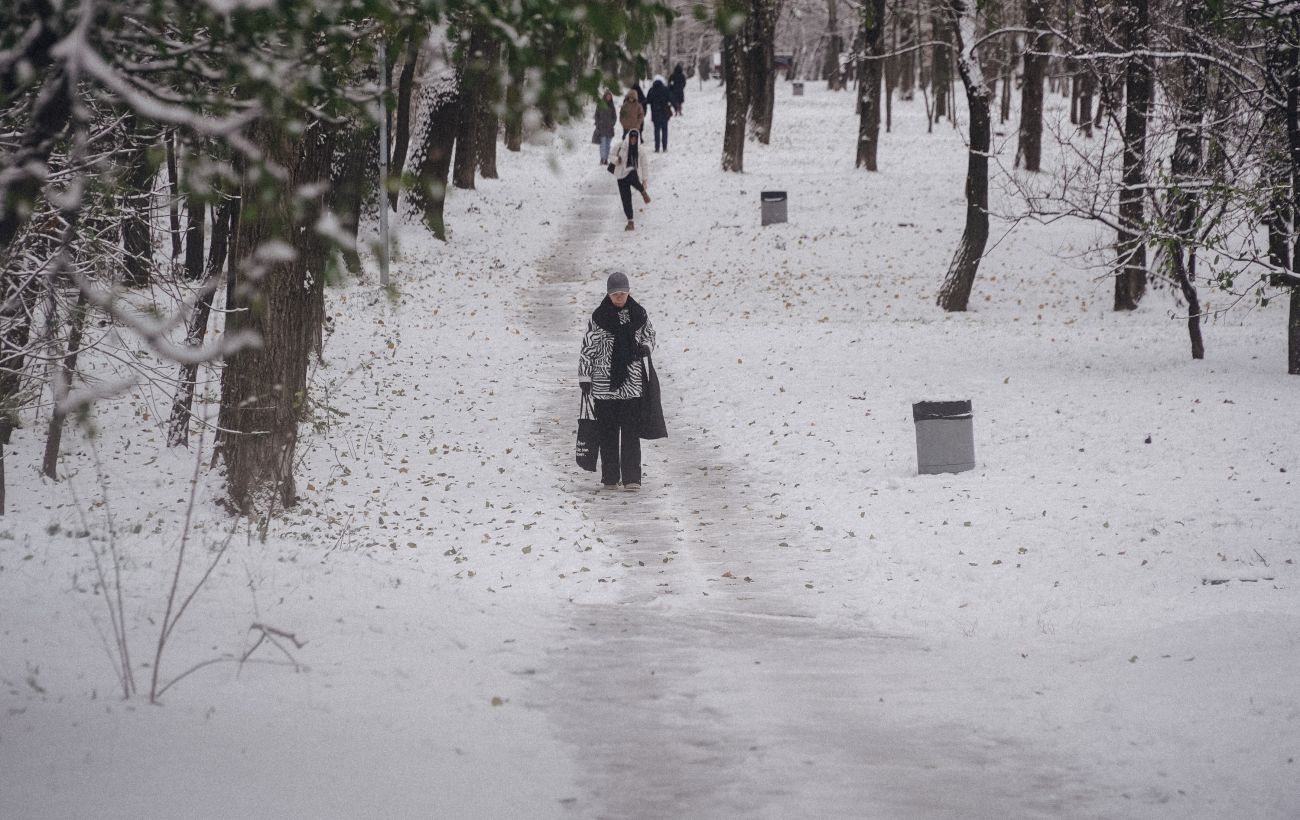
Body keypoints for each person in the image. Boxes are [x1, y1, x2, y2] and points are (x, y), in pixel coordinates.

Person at [578, 271, 657, 490]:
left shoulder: (639, 314)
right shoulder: (599, 317)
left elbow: (650, 335)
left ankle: (632, 478)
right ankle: (610, 477)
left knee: (631, 433)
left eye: (622, 293)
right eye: (615, 294)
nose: (619, 298)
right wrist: (585, 376)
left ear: (628, 292)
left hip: (631, 384)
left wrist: (646, 347)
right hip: (603, 386)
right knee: (608, 434)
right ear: (608, 295)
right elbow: (587, 349)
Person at [608, 129, 650, 231]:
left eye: (635, 138)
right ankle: (630, 221)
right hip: (620, 175)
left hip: (632, 172)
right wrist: (616, 160)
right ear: (629, 137)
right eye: (632, 138)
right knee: (626, 199)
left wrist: (644, 180)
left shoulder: (640, 150)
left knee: (634, 179)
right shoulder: (621, 146)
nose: (633, 140)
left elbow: (644, 165)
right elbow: (611, 155)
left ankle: (642, 191)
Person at [645, 74, 673, 152]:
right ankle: (664, 147)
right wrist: (675, 105)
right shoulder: (665, 89)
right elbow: (671, 98)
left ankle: (657, 148)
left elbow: (648, 100)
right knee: (665, 130)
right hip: (664, 113)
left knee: (656, 131)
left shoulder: (651, 90)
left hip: (655, 114)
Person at [593, 89, 617, 165]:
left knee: (608, 145)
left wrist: (612, 123)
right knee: (602, 145)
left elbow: (615, 117)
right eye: (607, 96)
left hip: (610, 129)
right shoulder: (600, 105)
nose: (608, 97)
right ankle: (602, 159)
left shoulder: (612, 106)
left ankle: (606, 159)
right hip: (602, 128)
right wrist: (598, 123)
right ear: (605, 96)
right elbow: (596, 115)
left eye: (610, 96)